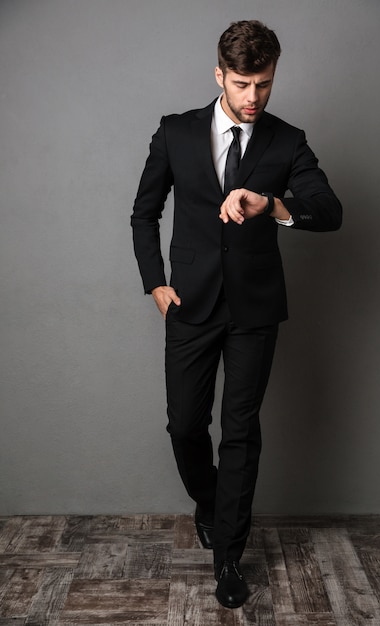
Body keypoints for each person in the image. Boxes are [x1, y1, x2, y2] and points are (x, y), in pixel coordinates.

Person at [131, 20, 342, 609]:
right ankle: (210, 502)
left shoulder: (286, 141)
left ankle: (228, 556)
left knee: (241, 432)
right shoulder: (176, 133)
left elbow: (329, 210)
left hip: (254, 311)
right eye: (244, 83)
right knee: (185, 427)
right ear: (219, 74)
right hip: (190, 305)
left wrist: (272, 204)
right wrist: (156, 285)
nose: (254, 97)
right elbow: (143, 214)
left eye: (266, 84)